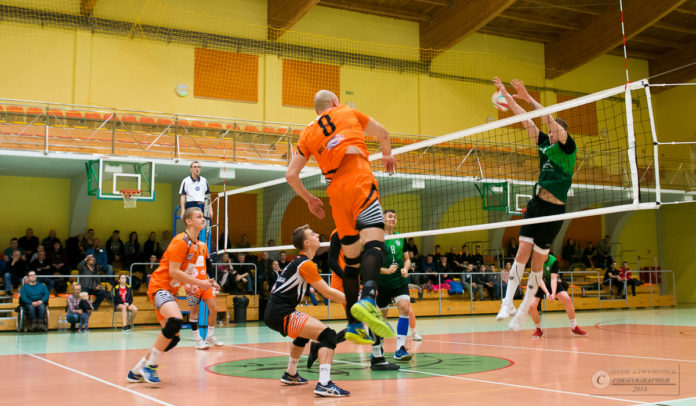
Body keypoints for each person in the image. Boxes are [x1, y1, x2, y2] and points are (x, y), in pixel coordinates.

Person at [285, 89, 396, 345]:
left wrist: (309, 199)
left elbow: (290, 175)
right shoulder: (347, 111)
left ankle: (354, 325)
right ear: (335, 102)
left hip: (335, 193)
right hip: (359, 179)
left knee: (352, 262)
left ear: (316, 110)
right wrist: (387, 154)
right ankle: (367, 299)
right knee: (375, 245)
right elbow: (383, 133)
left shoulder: (307, 133)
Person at [493, 77, 577, 333]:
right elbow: (525, 120)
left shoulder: (568, 149)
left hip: (554, 211)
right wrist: (507, 95)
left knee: (537, 265)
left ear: (561, 134)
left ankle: (521, 313)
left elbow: (547, 119)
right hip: (536, 205)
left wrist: (529, 97)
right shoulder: (543, 145)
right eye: (549, 133)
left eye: (553, 132)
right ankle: (507, 303)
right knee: (521, 253)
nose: (549, 134)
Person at [127, 207, 214, 384]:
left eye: (203, 216)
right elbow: (173, 272)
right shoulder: (180, 241)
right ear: (188, 221)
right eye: (199, 216)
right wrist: (200, 283)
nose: (203, 219)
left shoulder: (196, 246)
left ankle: (136, 371)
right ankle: (151, 367)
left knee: (172, 338)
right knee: (175, 321)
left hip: (170, 291)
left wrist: (189, 285)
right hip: (159, 287)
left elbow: (184, 273)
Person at [264, 225, 349, 397]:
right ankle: (324, 384)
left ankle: (291, 374)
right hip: (281, 312)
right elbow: (327, 292)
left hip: (276, 311)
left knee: (303, 334)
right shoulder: (305, 264)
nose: (317, 234)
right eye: (313, 234)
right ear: (307, 243)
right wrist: (354, 299)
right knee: (328, 335)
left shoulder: (299, 262)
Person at [374, 209, 415, 362]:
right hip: (382, 283)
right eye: (390, 216)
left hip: (400, 282)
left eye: (395, 217)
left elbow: (407, 258)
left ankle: (400, 348)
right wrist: (385, 270)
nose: (393, 219)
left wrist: (406, 268)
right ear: (383, 219)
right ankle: (379, 348)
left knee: (405, 307)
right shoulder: (376, 239)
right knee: (381, 318)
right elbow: (370, 264)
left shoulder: (400, 237)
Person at [528, 254, 587, 337]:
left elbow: (553, 278)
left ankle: (574, 327)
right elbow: (539, 279)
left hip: (550, 282)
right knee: (532, 306)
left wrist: (553, 293)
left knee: (567, 299)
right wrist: (547, 293)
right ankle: (539, 329)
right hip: (538, 283)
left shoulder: (553, 261)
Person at [186, 244, 223, 350]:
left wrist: (213, 280)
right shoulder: (186, 246)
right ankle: (198, 340)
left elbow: (208, 263)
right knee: (194, 314)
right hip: (192, 283)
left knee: (213, 308)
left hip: (205, 282)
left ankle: (210, 336)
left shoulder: (203, 246)